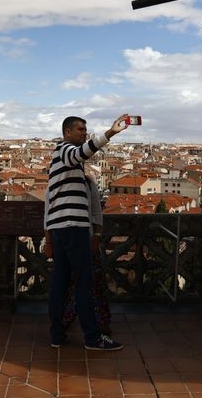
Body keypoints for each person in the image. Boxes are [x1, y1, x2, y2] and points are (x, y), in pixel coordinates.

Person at [44, 114, 130, 350]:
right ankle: (92, 338)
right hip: (74, 229)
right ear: (67, 132)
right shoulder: (64, 151)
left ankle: (57, 335)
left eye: (85, 129)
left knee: (60, 284)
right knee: (84, 283)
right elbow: (82, 152)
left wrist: (49, 234)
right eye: (81, 129)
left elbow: (49, 202)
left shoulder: (61, 164)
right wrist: (110, 132)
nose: (84, 133)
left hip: (60, 229)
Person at [61, 175, 112, 335]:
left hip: (87, 240)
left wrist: (96, 236)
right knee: (68, 282)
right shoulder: (58, 181)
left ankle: (98, 323)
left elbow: (97, 212)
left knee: (93, 282)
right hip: (65, 240)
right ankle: (66, 320)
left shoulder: (88, 183)